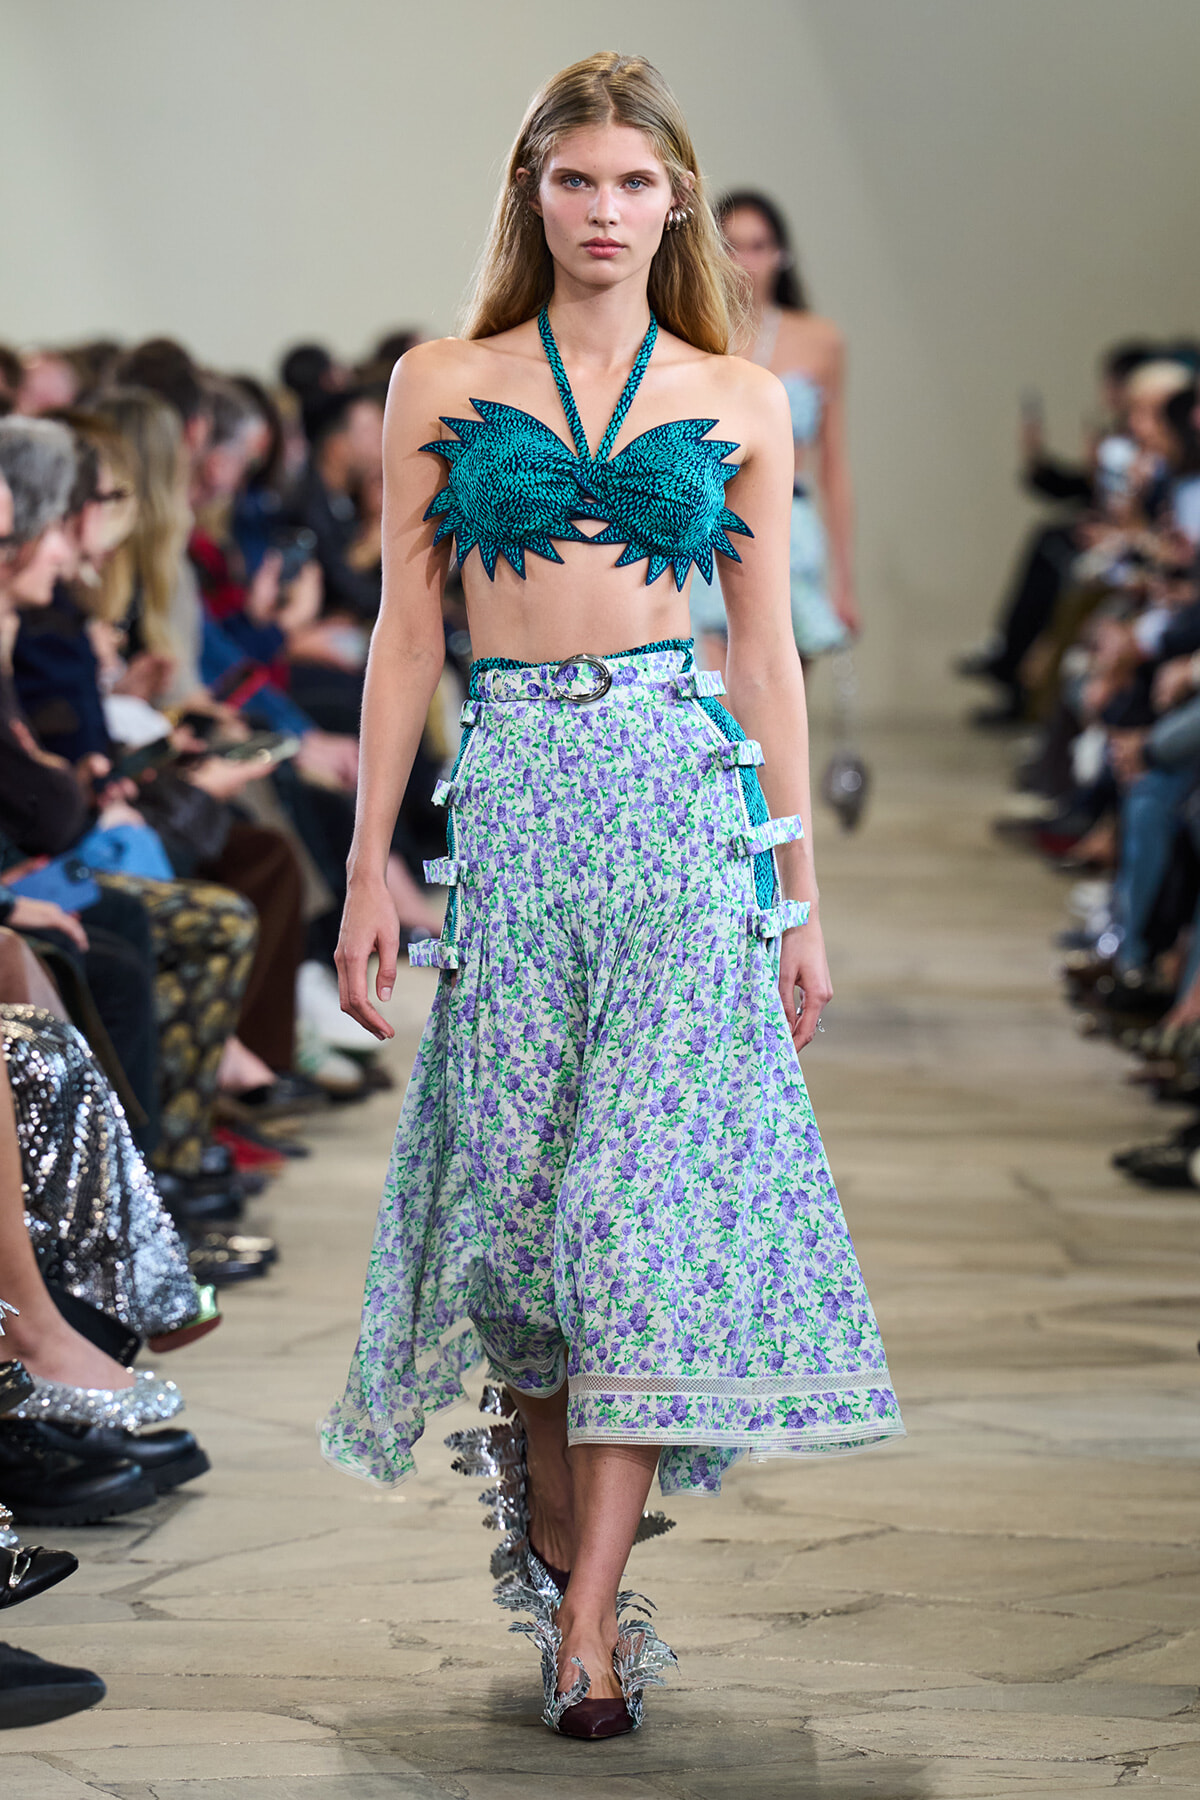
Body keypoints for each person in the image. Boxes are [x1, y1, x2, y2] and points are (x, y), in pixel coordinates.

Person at [322, 50, 902, 1741]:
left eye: (633, 184)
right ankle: (570, 1538)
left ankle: (586, 1623)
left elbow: (772, 662)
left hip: (672, 794)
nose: (601, 210)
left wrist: (797, 899)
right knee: (514, 1214)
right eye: (574, 180)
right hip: (512, 805)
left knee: (637, 1210)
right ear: (534, 196)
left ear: (676, 205)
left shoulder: (738, 397)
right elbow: (405, 635)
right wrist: (371, 861)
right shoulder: (441, 378)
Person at [688, 188, 859, 670]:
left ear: (781, 254)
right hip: (707, 524)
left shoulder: (821, 341)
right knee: (715, 706)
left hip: (791, 530)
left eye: (758, 246)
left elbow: (835, 466)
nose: (745, 261)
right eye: (731, 245)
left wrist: (845, 583)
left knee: (781, 703)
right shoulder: (692, 333)